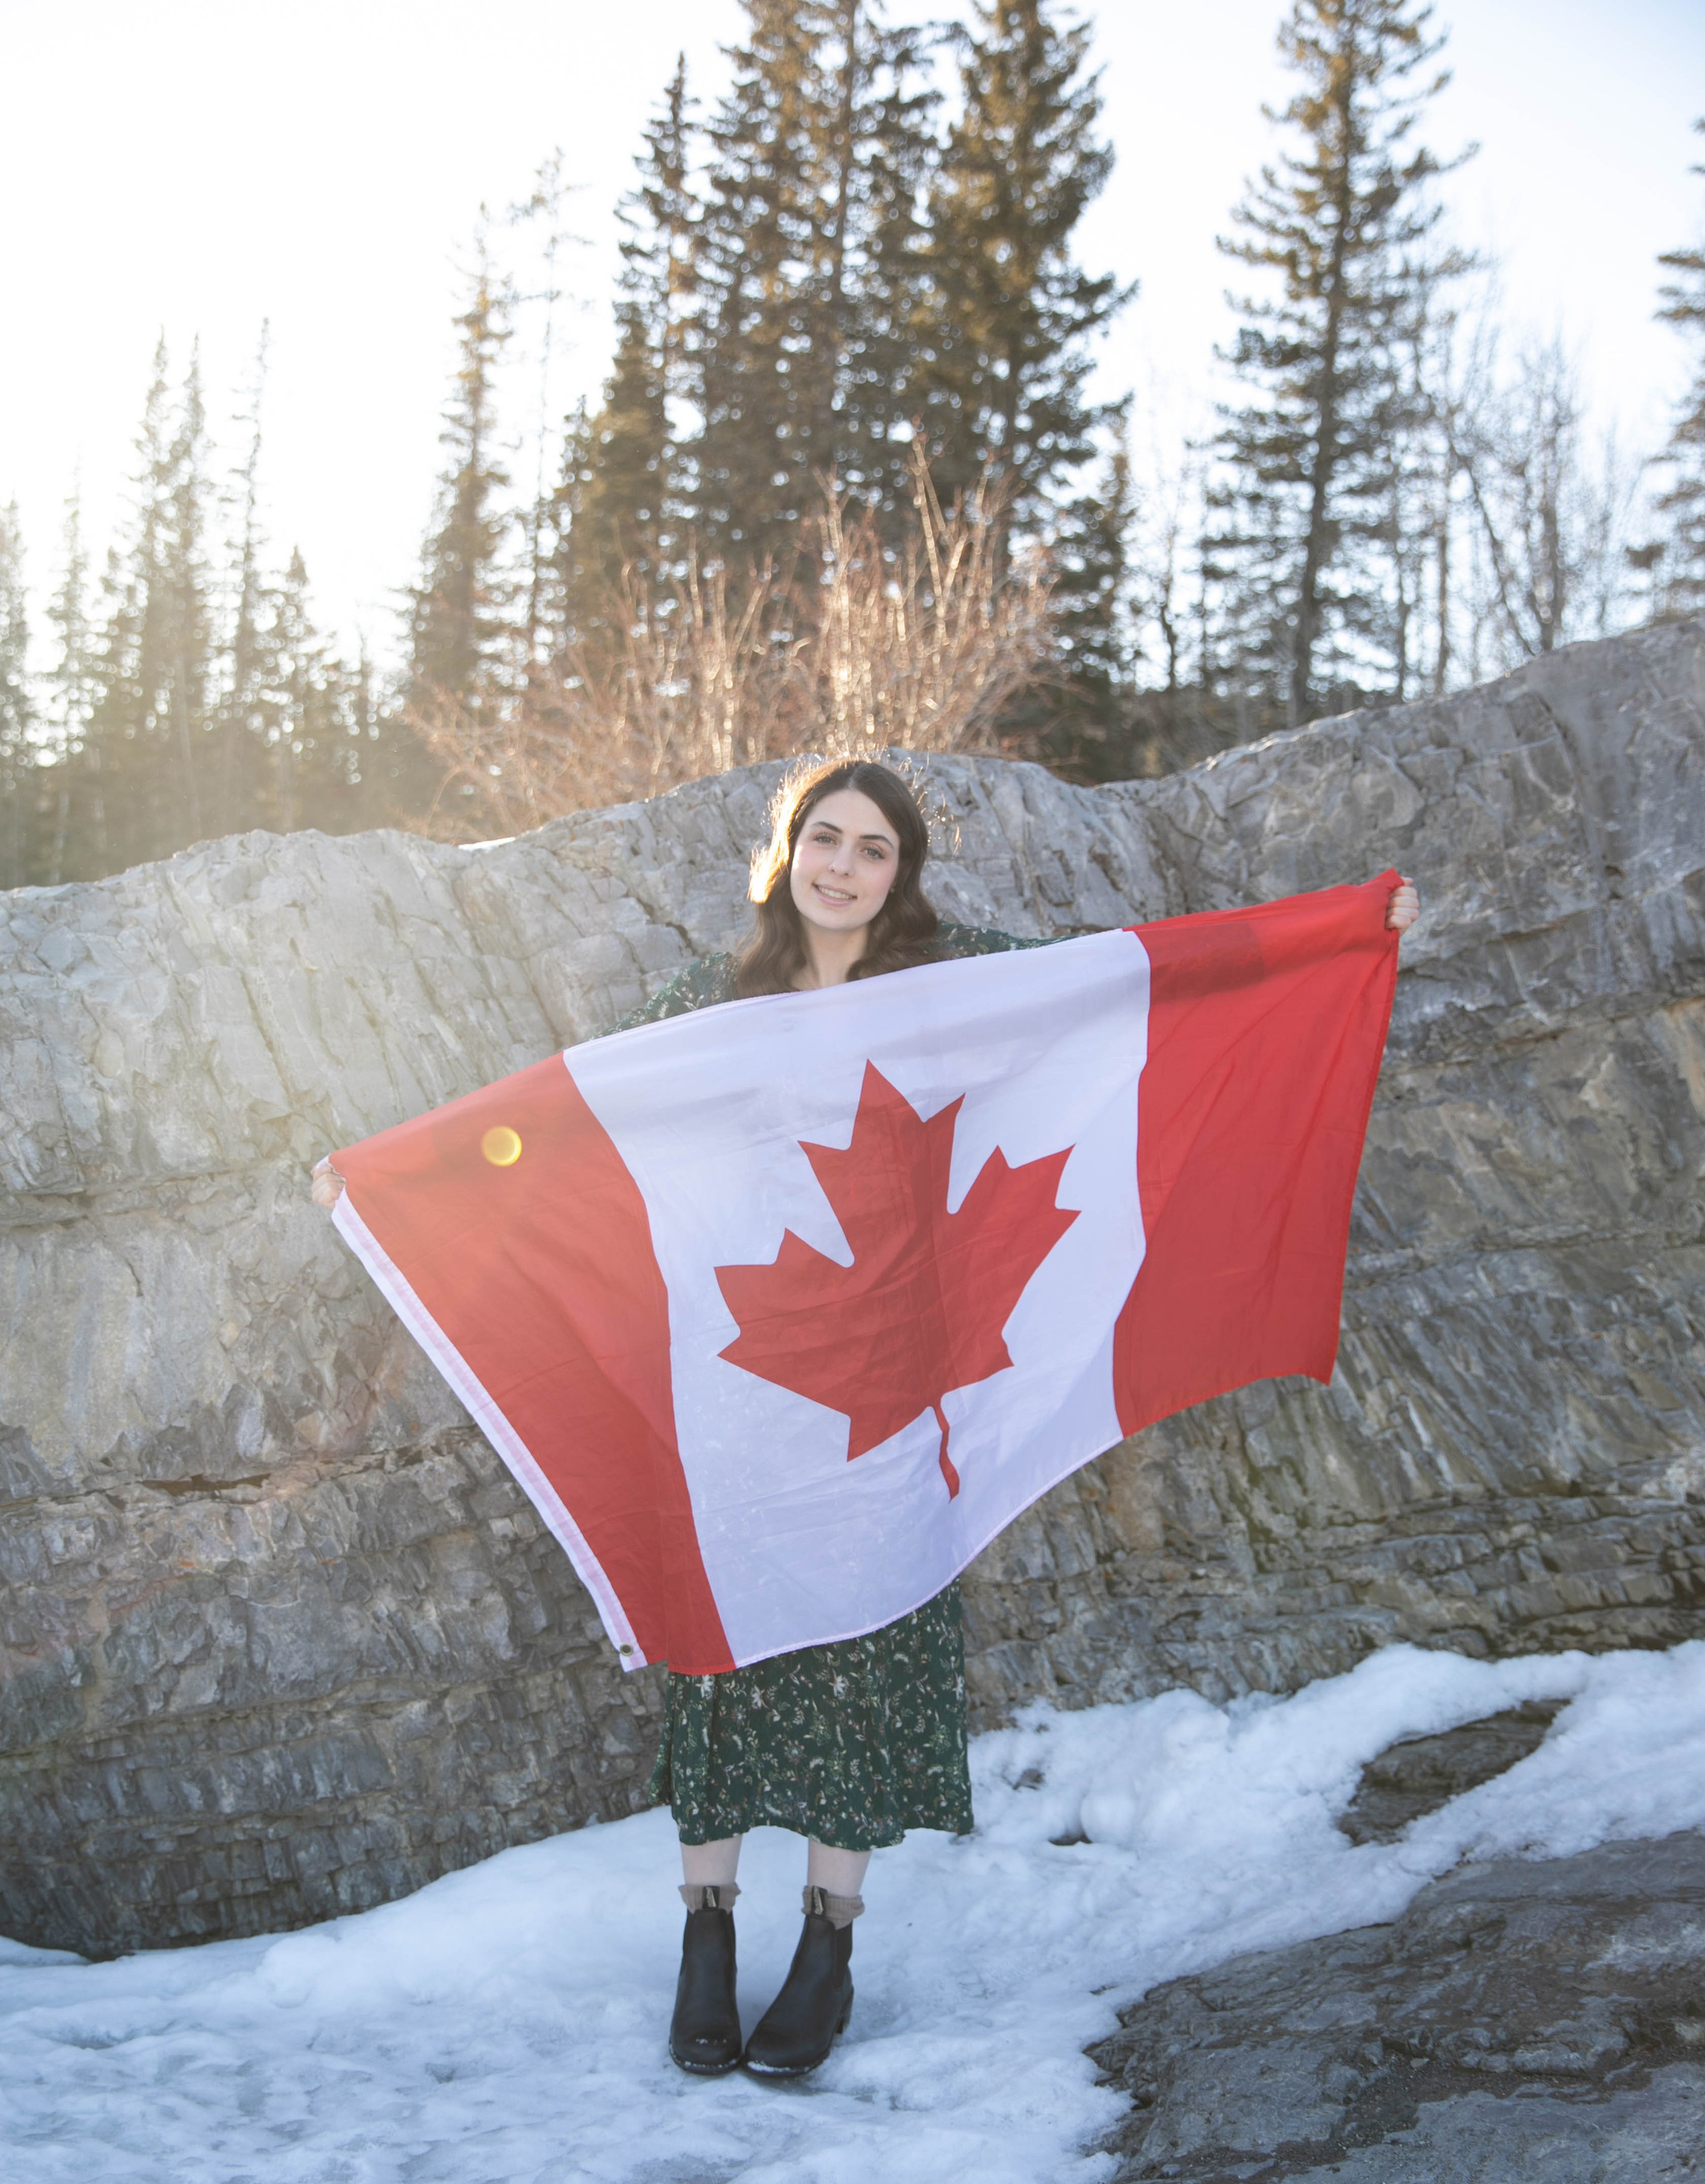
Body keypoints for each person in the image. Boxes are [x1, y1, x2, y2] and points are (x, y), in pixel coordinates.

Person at [313, 757, 1420, 2083]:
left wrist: (1341, 938)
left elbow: (1129, 983)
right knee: (723, 1659)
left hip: (901, 1399)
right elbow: (559, 1131)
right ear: (783, 855)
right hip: (747, 1391)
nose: (843, 867)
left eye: (874, 850)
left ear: (900, 875)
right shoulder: (703, 1009)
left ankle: (829, 1943)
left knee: (869, 1656)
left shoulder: (948, 987)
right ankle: (706, 1936)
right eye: (823, 839)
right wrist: (390, 1175)